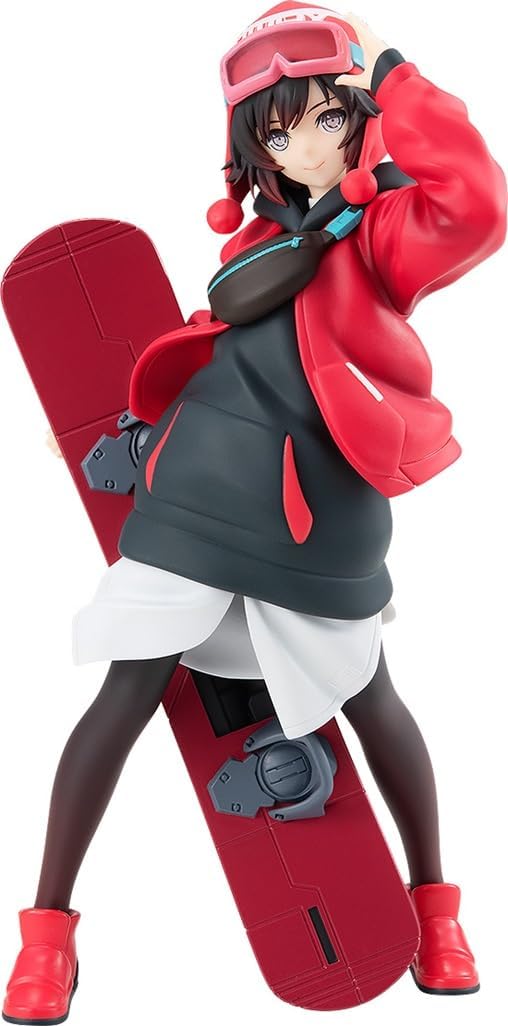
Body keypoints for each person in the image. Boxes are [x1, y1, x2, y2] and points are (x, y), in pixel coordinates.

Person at [2, 4, 506, 1022]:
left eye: (328, 119)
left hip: (317, 519)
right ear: (253, 148)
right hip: (197, 497)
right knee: (123, 697)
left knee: (373, 701)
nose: (305, 148)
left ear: (360, 119)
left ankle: (437, 910)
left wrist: (392, 72)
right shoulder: (261, 238)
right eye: (278, 132)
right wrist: (145, 423)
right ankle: (46, 934)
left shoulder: (386, 234)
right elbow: (226, 345)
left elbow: (479, 204)